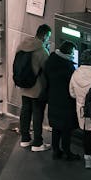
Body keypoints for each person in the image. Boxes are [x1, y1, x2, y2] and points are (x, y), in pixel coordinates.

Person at [14, 23, 52, 151]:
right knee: (37, 114)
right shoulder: (42, 51)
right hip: (37, 88)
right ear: (45, 35)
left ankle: (25, 139)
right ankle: (37, 143)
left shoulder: (22, 45)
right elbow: (47, 69)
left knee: (25, 111)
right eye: (48, 36)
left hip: (24, 85)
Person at [44, 40, 81, 161]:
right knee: (66, 128)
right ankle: (67, 152)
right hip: (66, 102)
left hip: (53, 98)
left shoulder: (51, 59)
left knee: (56, 127)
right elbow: (73, 84)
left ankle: (56, 151)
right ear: (69, 52)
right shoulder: (68, 67)